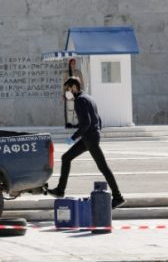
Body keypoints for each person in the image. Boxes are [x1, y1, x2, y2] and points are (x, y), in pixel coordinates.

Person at [47, 78, 126, 209]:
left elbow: (87, 123)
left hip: (89, 137)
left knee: (103, 167)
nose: (66, 92)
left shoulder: (80, 101)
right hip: (90, 136)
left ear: (73, 87)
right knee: (66, 158)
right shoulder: (89, 98)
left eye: (67, 89)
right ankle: (60, 190)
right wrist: (81, 127)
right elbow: (97, 119)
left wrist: (73, 137)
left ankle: (118, 197)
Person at [61, 58, 84, 128]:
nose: (73, 65)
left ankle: (76, 123)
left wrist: (82, 91)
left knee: (76, 108)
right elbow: (63, 84)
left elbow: (82, 83)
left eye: (74, 63)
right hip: (69, 93)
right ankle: (69, 123)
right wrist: (63, 93)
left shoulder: (78, 72)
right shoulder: (66, 73)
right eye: (72, 63)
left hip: (77, 93)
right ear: (69, 64)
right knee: (70, 109)